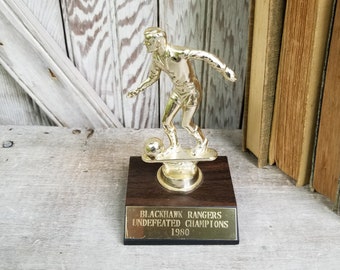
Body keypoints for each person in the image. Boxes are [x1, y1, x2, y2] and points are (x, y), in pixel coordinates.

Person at [127, 27, 236, 156]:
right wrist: (138, 89)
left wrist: (224, 69)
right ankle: (175, 146)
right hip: (177, 91)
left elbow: (204, 56)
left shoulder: (178, 53)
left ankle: (202, 142)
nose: (145, 43)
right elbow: (152, 77)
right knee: (166, 122)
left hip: (191, 92)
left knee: (186, 124)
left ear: (158, 42)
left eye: (148, 41)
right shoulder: (156, 58)